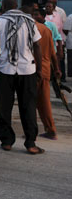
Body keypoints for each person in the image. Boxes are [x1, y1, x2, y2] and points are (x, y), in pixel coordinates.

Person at [0, 0, 44, 154]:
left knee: (4, 107)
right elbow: (37, 46)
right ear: (16, 6)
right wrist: (40, 69)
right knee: (28, 106)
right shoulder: (29, 21)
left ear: (5, 7)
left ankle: (7, 141)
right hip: (27, 69)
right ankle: (30, 143)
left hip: (4, 69)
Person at [32, 7, 61, 140]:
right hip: (44, 69)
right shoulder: (46, 30)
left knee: (32, 102)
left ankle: (35, 132)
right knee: (43, 101)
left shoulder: (31, 28)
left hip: (33, 69)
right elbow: (53, 53)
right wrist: (56, 69)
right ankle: (50, 129)